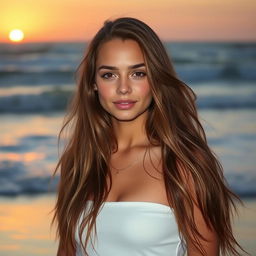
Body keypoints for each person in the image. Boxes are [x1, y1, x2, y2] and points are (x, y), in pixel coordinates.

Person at [51, 17, 245, 256]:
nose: (123, 88)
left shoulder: (183, 165)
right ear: (93, 83)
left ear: (156, 79)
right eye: (109, 75)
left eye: (138, 73)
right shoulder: (80, 162)